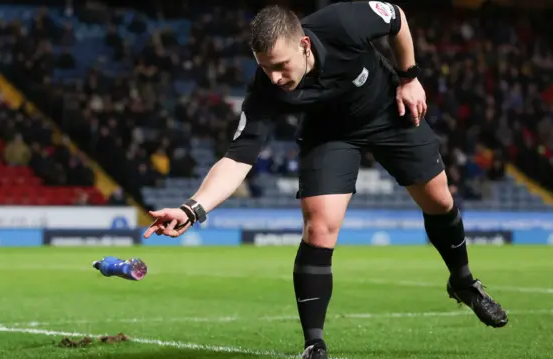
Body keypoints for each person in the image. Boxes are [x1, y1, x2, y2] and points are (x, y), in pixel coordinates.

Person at [143, 2, 508, 358]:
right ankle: (314, 345)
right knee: (319, 228)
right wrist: (192, 209)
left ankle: (462, 282)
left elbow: (396, 17)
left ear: (303, 45)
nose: (274, 77)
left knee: (439, 201)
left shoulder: (344, 23)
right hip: (329, 135)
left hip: (387, 112)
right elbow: (238, 157)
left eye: (281, 66)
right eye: (265, 68)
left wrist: (409, 77)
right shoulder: (265, 89)